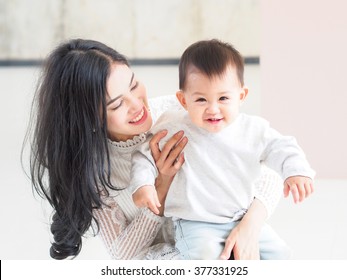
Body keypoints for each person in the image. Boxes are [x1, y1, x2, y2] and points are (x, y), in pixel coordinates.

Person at [24, 38, 284, 260]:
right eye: (117, 105)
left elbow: (268, 177)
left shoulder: (181, 111)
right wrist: (161, 186)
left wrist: (249, 227)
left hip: (225, 238)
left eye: (134, 85)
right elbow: (123, 255)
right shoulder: (95, 170)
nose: (137, 105)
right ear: (89, 119)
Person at [130, 39, 315, 260]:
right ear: (183, 100)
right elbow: (144, 155)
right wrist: (143, 184)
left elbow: (282, 146)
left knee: (281, 255)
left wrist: (296, 171)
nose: (213, 109)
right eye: (201, 99)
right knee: (206, 257)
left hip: (241, 216)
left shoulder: (252, 129)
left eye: (223, 98)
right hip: (196, 223)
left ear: (241, 96)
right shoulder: (174, 127)